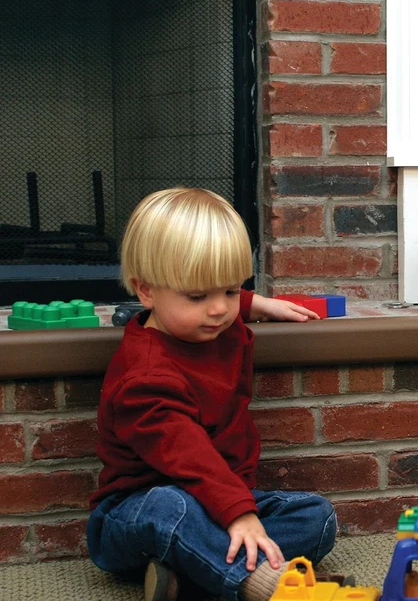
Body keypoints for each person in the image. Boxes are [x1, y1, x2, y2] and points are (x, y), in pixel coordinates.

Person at [87, 188, 336, 601]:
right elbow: (189, 455)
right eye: (199, 296)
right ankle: (253, 584)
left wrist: (260, 304)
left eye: (230, 291)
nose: (220, 309)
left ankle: (187, 577)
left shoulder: (213, 321)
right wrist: (238, 513)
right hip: (135, 513)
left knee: (315, 517)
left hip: (218, 500)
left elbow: (218, 298)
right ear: (146, 291)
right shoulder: (144, 376)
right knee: (172, 507)